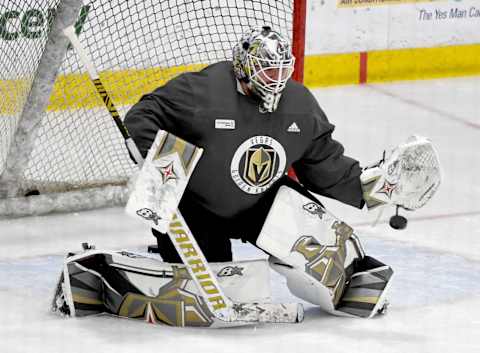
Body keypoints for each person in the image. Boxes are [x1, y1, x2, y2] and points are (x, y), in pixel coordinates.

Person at [124, 26, 365, 263]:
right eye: (268, 71)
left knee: (327, 249)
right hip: (195, 207)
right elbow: (143, 115)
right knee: (213, 283)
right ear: (244, 66)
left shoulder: (299, 103)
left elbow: (323, 164)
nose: (277, 80)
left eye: (282, 71)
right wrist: (157, 163)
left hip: (259, 204)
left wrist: (375, 188)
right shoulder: (203, 90)